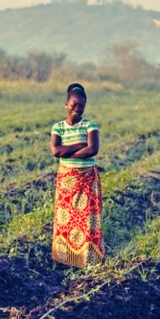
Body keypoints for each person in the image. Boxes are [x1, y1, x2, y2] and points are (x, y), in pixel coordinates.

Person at [50, 83, 103, 268]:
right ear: (66, 104)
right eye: (74, 105)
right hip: (67, 180)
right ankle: (65, 259)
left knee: (87, 220)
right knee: (65, 220)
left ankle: (87, 260)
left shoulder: (90, 125)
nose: (77, 109)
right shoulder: (58, 127)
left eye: (81, 106)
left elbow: (93, 149)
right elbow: (55, 151)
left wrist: (67, 152)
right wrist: (81, 146)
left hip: (87, 178)